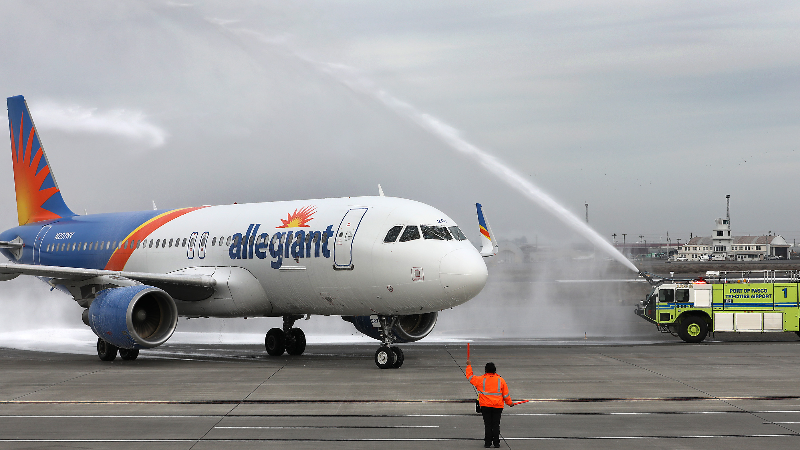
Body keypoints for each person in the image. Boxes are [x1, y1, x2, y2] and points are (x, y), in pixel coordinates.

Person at [466, 358, 513, 448]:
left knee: (487, 425)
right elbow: (506, 395)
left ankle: (487, 443)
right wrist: (510, 403)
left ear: (486, 370)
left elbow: (470, 377)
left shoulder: (481, 380)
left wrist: (468, 365)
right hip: (498, 406)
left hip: (485, 406)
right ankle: (496, 443)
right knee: (496, 425)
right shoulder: (501, 380)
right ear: (495, 370)